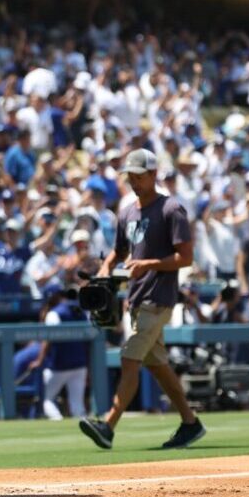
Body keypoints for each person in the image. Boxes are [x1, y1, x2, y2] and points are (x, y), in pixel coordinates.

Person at [79, 149, 204, 450]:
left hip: (159, 297)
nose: (134, 181)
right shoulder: (127, 212)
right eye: (130, 176)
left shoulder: (171, 209)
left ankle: (108, 426)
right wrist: (107, 267)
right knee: (157, 364)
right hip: (135, 298)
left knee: (129, 357)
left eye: (139, 175)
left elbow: (186, 258)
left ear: (153, 174)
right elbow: (120, 251)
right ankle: (190, 422)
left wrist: (149, 264)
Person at [29, 284, 90, 420]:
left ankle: (59, 423)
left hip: (59, 365)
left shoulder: (55, 313)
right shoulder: (80, 310)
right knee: (77, 406)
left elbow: (48, 339)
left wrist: (39, 360)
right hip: (80, 364)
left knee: (47, 400)